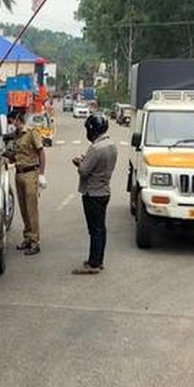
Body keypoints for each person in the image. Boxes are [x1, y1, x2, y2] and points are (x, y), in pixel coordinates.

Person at [71, 114, 117, 275]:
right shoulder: (111, 145)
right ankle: (98, 259)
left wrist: (79, 162)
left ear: (92, 129)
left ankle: (93, 264)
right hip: (104, 190)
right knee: (101, 229)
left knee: (95, 230)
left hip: (93, 193)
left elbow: (84, 171)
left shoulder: (96, 148)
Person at [5, 112, 46, 256]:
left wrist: (41, 174)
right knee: (23, 209)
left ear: (18, 120)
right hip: (19, 173)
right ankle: (28, 237)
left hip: (30, 174)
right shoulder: (16, 135)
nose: (11, 124)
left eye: (12, 121)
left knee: (31, 209)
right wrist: (5, 154)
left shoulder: (31, 133)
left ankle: (35, 241)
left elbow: (41, 152)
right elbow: (14, 155)